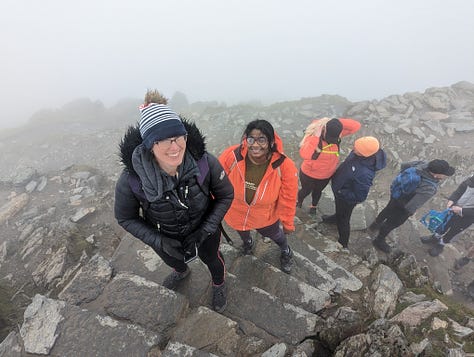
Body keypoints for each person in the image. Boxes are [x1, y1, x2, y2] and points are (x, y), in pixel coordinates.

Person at [114, 90, 234, 313]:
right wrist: (159, 241)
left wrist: (206, 229)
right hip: (164, 236)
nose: (175, 146)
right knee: (173, 260)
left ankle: (218, 284)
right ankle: (181, 271)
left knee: (213, 259)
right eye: (164, 140)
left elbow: (226, 194)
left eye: (179, 137)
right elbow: (125, 217)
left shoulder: (204, 163)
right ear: (149, 145)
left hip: (205, 230)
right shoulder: (132, 180)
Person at [218, 119, 298, 273]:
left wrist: (287, 223)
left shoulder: (284, 165)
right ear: (245, 139)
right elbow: (217, 182)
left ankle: (285, 250)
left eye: (261, 139)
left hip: (265, 216)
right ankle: (248, 243)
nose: (255, 145)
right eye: (251, 139)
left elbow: (288, 198)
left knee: (276, 235)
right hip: (236, 212)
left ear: (271, 141)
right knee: (242, 230)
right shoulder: (232, 156)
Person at [370, 159, 455, 253]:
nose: (445, 176)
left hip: (397, 193)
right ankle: (379, 240)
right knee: (393, 222)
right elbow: (412, 206)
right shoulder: (429, 187)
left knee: (388, 209)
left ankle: (375, 225)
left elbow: (404, 165)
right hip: (404, 204)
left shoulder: (422, 164)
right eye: (444, 174)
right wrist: (410, 213)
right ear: (436, 174)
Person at [321, 136, 386, 249]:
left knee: (344, 220)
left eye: (357, 148)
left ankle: (343, 243)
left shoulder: (365, 173)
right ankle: (335, 218)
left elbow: (360, 196)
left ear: (365, 153)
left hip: (346, 198)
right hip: (342, 190)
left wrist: (341, 192)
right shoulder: (360, 154)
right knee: (339, 212)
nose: (353, 148)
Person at [297, 117, 361, 214]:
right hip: (308, 174)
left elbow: (356, 126)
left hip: (325, 175)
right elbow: (304, 154)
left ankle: (313, 206)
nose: (332, 140)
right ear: (324, 130)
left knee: (318, 192)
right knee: (305, 191)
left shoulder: (335, 133)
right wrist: (316, 136)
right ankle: (298, 202)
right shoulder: (313, 137)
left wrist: (334, 122)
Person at [421, 175, 474, 256]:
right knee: (443, 223)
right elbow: (458, 192)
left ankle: (441, 244)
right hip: (453, 208)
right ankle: (435, 237)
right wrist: (451, 200)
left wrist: (461, 210)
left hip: (467, 217)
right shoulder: (470, 180)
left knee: (453, 231)